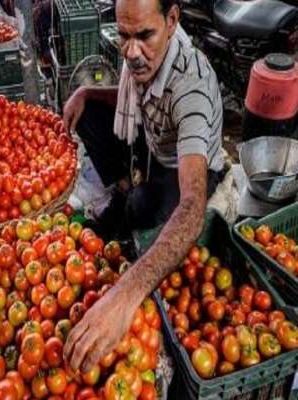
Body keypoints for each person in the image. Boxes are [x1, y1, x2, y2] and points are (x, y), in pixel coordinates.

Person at [61, 0, 224, 373]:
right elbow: (123, 94)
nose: (131, 52)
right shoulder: (143, 55)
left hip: (184, 167)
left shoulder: (191, 89)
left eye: (144, 36)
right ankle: (124, 186)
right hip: (151, 143)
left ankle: (129, 197)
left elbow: (193, 208)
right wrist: (85, 94)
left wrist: (125, 295)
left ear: (172, 20)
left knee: (140, 207)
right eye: (123, 36)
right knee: (87, 114)